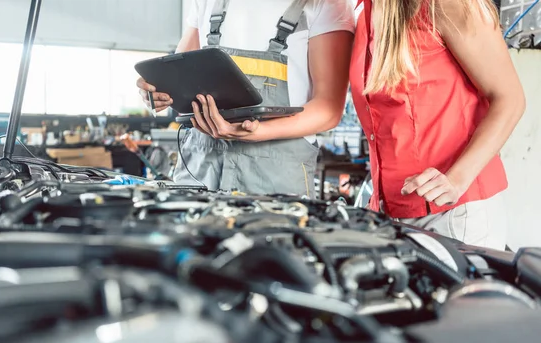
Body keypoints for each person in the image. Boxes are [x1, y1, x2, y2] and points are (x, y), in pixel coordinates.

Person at [350, 0, 525, 250]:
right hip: (396, 213)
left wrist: (456, 180)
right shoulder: (365, 10)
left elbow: (510, 99)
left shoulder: (443, 4)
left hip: (455, 215)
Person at [137, 0, 355, 198]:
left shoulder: (325, 4)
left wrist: (258, 132)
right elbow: (178, 78)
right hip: (199, 169)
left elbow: (328, 110)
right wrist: (158, 93)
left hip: (276, 179)